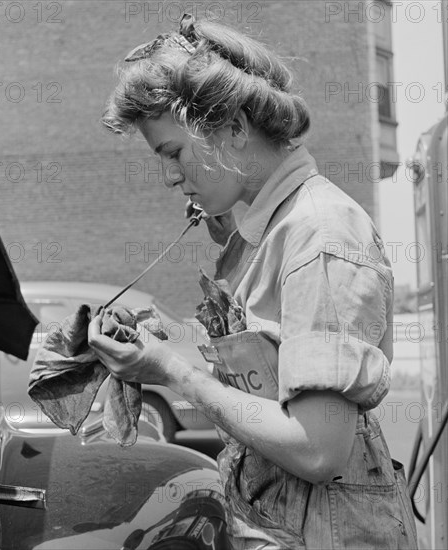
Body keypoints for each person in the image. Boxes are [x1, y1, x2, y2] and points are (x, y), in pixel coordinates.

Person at [90, 14, 418, 550]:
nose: (171, 176)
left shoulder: (318, 235)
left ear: (235, 128)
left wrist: (171, 371)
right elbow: (261, 386)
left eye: (173, 152)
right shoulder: (266, 232)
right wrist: (159, 344)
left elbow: (316, 448)